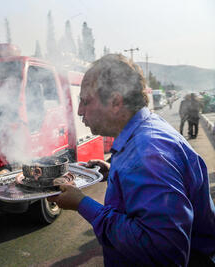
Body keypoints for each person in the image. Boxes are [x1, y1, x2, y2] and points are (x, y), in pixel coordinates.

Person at [48, 54, 215, 266]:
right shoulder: (143, 137)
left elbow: (163, 253)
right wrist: (112, 172)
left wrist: (82, 203)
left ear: (116, 102)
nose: (80, 111)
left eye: (85, 101)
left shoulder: (148, 153)